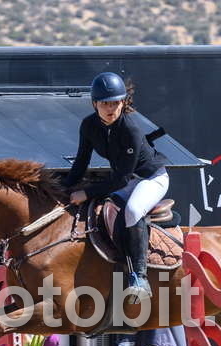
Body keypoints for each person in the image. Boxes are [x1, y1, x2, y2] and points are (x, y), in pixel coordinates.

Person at [64, 71, 169, 303]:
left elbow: (121, 179)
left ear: (123, 102)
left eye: (115, 103)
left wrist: (86, 192)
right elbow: (81, 162)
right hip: (128, 179)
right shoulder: (89, 126)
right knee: (106, 210)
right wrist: (65, 190)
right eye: (104, 103)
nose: (110, 108)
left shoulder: (130, 129)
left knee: (132, 210)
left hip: (152, 178)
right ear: (94, 104)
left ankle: (139, 278)